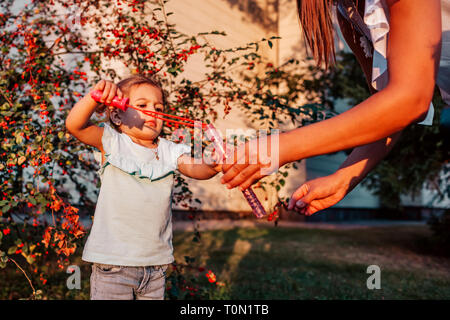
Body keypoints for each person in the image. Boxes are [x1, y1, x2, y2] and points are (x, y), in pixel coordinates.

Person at [220, 0, 449, 216]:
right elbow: (387, 114)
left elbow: (410, 100)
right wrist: (343, 178)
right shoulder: (348, 10)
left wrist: (281, 148)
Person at [65, 75, 221, 300]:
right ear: (117, 114)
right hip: (113, 265)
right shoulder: (113, 142)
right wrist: (94, 97)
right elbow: (75, 125)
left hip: (155, 266)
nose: (153, 112)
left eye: (158, 107)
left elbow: (198, 169)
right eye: (142, 105)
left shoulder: (170, 151)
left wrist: (213, 164)